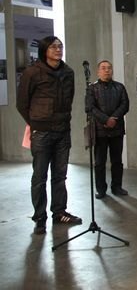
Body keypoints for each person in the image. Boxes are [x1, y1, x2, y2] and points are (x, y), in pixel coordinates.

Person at [17, 36, 82, 235]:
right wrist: (36, 123)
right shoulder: (32, 72)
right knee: (39, 177)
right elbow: (22, 103)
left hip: (63, 131)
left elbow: (69, 99)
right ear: (44, 50)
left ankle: (59, 212)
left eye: (60, 46)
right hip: (42, 133)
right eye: (53, 47)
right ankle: (40, 217)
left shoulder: (68, 72)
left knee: (60, 176)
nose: (58, 49)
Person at [85, 60, 130, 199]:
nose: (107, 70)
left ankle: (117, 187)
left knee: (117, 161)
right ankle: (101, 189)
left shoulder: (120, 87)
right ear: (98, 71)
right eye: (103, 68)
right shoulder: (92, 88)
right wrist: (105, 120)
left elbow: (125, 105)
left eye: (109, 68)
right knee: (99, 162)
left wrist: (114, 118)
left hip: (117, 129)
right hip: (100, 131)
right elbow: (90, 107)